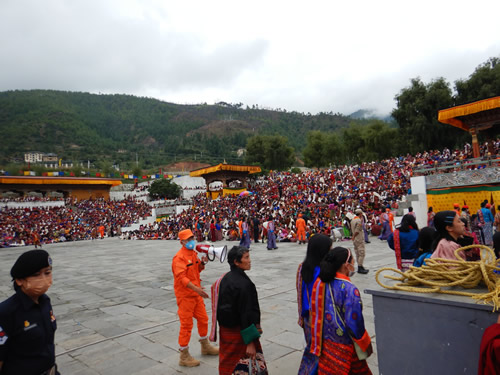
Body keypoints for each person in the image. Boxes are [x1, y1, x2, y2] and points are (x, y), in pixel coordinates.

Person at [310, 247, 373, 374]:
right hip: (346, 346)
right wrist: (364, 342)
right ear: (346, 265)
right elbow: (354, 322)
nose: (353, 265)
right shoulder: (349, 289)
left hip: (327, 344)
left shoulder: (320, 283)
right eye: (353, 262)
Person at [0, 249, 59, 375]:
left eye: (47, 273)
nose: (44, 279)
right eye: (36, 275)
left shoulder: (45, 302)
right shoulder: (6, 312)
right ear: (19, 280)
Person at [216, 246, 268, 375]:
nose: (249, 260)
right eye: (246, 258)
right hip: (240, 332)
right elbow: (247, 313)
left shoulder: (224, 278)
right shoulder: (245, 285)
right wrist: (250, 341)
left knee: (228, 364)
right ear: (236, 262)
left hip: (226, 331)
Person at [171, 229, 219, 367]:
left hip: (196, 294)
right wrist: (197, 289)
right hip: (185, 296)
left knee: (203, 319)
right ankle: (184, 355)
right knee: (186, 325)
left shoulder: (193, 254)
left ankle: (205, 346)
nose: (192, 241)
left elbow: (196, 270)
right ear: (182, 242)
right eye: (188, 239)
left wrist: (203, 263)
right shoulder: (179, 258)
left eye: (192, 238)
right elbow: (181, 279)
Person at [297, 234, 333, 374]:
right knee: (320, 350)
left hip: (309, 317)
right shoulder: (327, 269)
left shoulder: (303, 267)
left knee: (313, 348)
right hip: (322, 316)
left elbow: (299, 292)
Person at [351, 209, 369, 274]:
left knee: (357, 253)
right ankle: (360, 266)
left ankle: (360, 266)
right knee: (362, 253)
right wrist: (354, 236)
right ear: (360, 214)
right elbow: (357, 230)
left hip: (355, 239)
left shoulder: (352, 220)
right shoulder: (358, 220)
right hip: (359, 238)